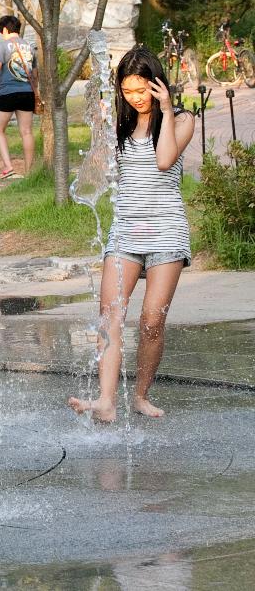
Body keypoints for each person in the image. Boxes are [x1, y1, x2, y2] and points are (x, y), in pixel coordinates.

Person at [68, 46, 194, 423]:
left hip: (166, 231)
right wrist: (99, 130)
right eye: (128, 91)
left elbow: (165, 160)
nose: (136, 98)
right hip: (125, 231)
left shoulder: (183, 119)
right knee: (110, 315)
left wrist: (167, 110)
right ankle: (106, 401)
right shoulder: (120, 127)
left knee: (152, 320)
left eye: (142, 90)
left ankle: (140, 395)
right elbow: (97, 171)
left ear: (157, 85)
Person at [0, 15, 36, 179]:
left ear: (4, 30)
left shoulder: (3, 46)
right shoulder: (29, 47)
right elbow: (34, 73)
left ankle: (8, 166)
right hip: (27, 93)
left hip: (8, 93)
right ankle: (29, 172)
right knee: (26, 132)